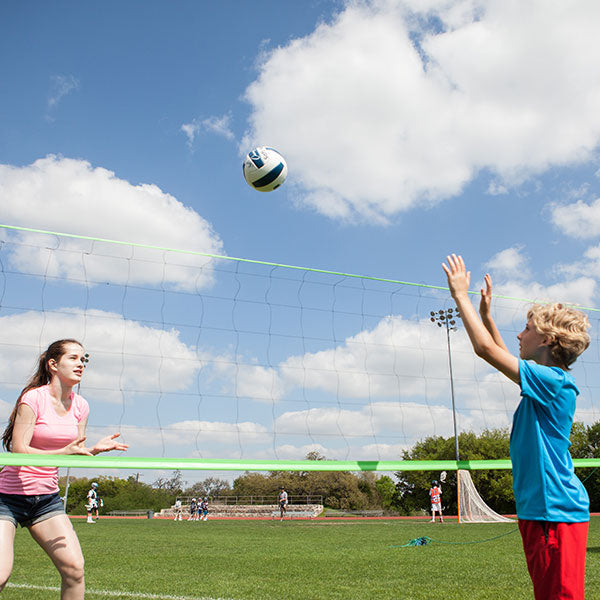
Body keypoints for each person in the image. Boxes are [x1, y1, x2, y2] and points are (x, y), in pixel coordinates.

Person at [442, 255, 590, 600]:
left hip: (555, 513)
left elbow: (486, 351)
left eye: (527, 329)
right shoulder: (545, 381)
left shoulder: (554, 382)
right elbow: (499, 353)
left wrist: (460, 296)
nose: (519, 334)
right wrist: (485, 315)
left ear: (547, 342)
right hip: (540, 512)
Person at [0, 339, 128, 599]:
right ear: (53, 364)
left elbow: (73, 450)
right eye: (74, 358)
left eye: (84, 359)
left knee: (74, 570)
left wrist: (93, 449)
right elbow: (19, 450)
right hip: (7, 497)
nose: (81, 364)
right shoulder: (33, 398)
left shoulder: (81, 406)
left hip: (45, 499)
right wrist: (62, 452)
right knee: (0, 575)